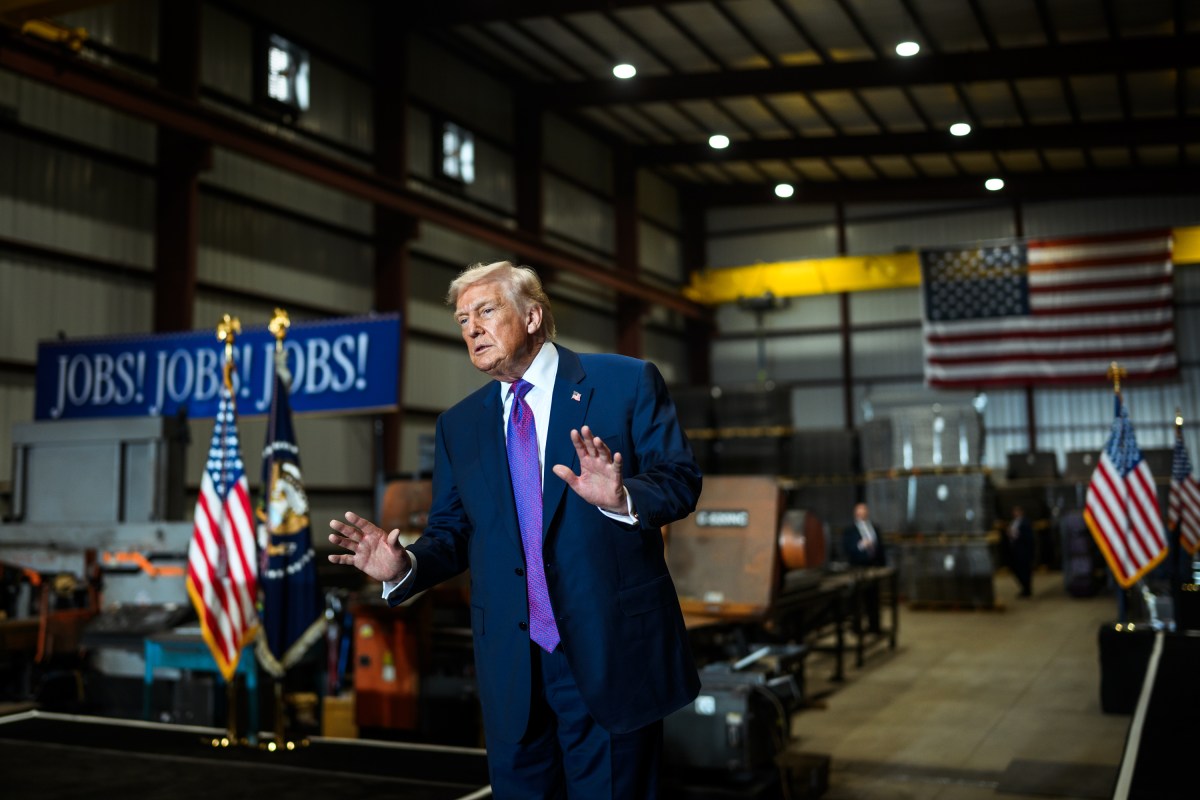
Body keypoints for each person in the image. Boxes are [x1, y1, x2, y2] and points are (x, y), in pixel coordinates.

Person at [328, 260, 703, 798]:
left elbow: (681, 479)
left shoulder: (623, 382)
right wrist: (405, 564)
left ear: (532, 316)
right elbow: (453, 531)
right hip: (513, 671)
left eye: (485, 311)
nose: (472, 329)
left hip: (610, 655)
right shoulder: (460, 424)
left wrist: (621, 496)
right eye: (462, 320)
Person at [842, 502, 886, 632]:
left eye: (863, 511)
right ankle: (856, 627)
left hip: (873, 567)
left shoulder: (874, 528)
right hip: (858, 567)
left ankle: (874, 626)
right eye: (859, 512)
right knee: (857, 600)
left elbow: (880, 548)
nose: (861, 514)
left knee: (873, 598)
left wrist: (882, 564)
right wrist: (861, 545)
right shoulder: (850, 531)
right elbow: (847, 548)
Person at [1007, 505, 1035, 598]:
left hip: (1023, 551)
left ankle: (1027, 589)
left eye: (1017, 511)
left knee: (1025, 570)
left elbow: (1028, 538)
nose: (1015, 513)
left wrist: (1015, 535)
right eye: (1014, 511)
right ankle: (1024, 588)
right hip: (1015, 550)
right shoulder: (1013, 522)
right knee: (1016, 569)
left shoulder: (1025, 522)